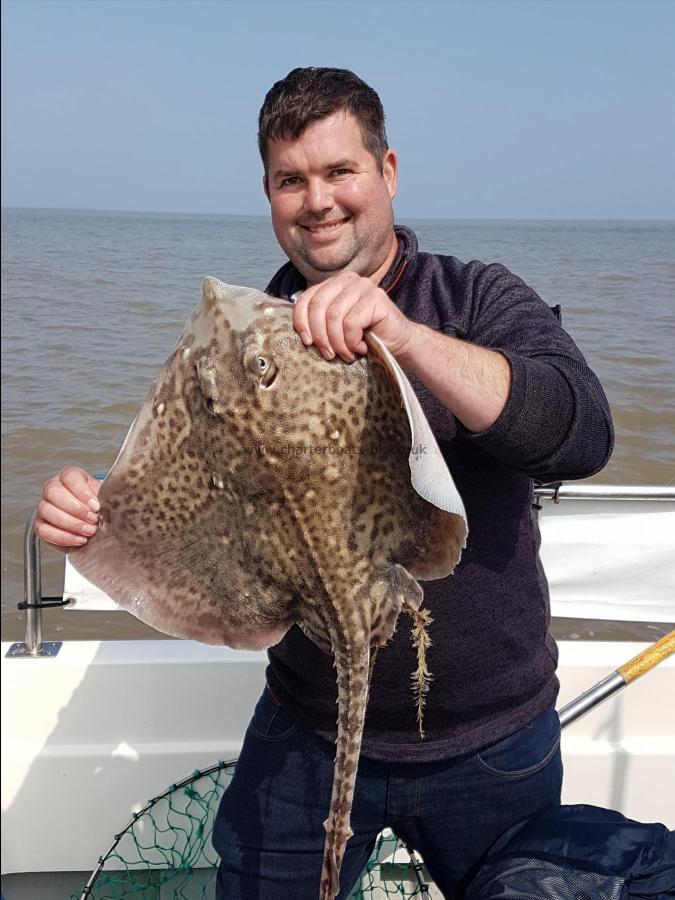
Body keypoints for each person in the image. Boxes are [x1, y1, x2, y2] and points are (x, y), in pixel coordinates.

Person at [34, 68, 614, 899]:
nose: (318, 200)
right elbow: (191, 481)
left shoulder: (472, 295)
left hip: (491, 737)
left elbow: (580, 433)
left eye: (339, 171)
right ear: (268, 193)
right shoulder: (244, 332)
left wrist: (407, 338)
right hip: (307, 725)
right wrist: (91, 505)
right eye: (290, 180)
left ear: (387, 172)